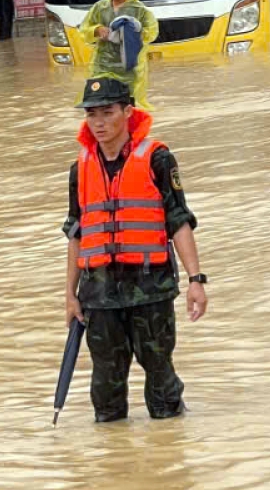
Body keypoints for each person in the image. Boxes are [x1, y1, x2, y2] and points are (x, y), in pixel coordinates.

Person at [64, 78, 207, 423]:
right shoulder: (79, 169)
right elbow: (76, 234)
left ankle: (170, 452)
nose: (98, 122)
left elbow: (179, 221)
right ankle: (115, 466)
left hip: (150, 289)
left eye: (107, 112)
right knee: (106, 392)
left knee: (161, 382)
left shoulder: (157, 158)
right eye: (91, 114)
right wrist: (70, 294)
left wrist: (195, 280)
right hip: (98, 294)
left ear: (128, 112)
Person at [78, 0, 158, 111]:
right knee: (97, 105)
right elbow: (84, 29)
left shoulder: (139, 10)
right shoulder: (100, 7)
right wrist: (97, 29)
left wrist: (132, 33)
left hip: (129, 69)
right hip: (102, 66)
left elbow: (152, 33)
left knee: (127, 110)